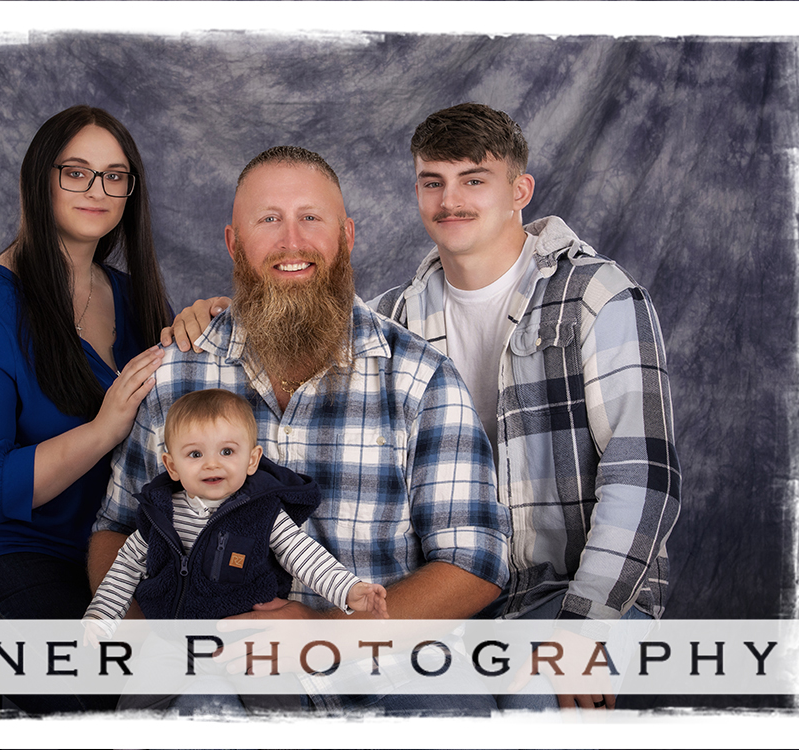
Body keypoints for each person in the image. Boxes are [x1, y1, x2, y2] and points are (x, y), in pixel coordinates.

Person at [167, 104, 682, 712]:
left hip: (573, 593)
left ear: (520, 190)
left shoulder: (597, 296)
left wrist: (584, 626)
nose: (450, 199)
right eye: (433, 181)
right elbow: (299, 302)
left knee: (536, 707)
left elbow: (643, 476)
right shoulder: (397, 318)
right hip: (463, 603)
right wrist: (230, 311)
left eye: (474, 180)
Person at [90, 146, 511, 715]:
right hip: (212, 667)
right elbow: (118, 530)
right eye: (268, 220)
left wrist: (327, 632)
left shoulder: (419, 377)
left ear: (348, 235)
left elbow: (474, 563)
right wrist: (159, 646)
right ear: (234, 245)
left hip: (382, 664)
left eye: (311, 217)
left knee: (453, 713)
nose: (292, 242)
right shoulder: (174, 373)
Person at [0, 105, 170, 713]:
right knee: (90, 697)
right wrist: (104, 428)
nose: (97, 189)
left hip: (105, 557)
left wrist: (208, 327)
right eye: (76, 172)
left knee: (186, 684)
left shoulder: (131, 297)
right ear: (41, 179)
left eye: (115, 175)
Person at [83, 388, 387, 629]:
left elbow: (305, 557)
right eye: (195, 453)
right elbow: (124, 568)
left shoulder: (262, 512)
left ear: (252, 460)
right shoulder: (160, 515)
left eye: (227, 451)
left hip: (245, 635)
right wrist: (100, 619)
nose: (212, 463)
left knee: (273, 696)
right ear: (172, 466)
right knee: (147, 696)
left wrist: (350, 591)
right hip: (170, 638)